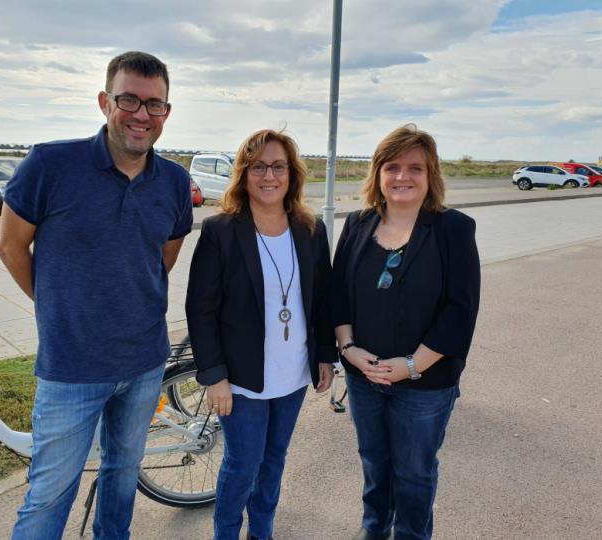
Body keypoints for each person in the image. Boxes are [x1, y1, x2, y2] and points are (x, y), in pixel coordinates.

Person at [0, 51, 193, 539]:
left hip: (145, 363)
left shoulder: (173, 181)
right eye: (129, 100)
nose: (142, 115)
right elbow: (10, 245)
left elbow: (161, 259)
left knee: (122, 477)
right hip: (71, 367)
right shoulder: (50, 164)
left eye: (155, 104)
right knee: (50, 494)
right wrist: (57, 306)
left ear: (167, 111)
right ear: (105, 101)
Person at [185, 129, 336, 540]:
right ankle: (227, 533)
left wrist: (326, 355)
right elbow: (201, 309)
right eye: (258, 166)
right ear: (244, 174)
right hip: (242, 379)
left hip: (293, 376)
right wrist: (214, 376)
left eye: (278, 166)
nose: (269, 175)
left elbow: (323, 300)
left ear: (292, 174)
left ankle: (262, 533)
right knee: (243, 465)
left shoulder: (310, 229)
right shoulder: (221, 231)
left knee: (273, 461)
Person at [331, 124, 480, 540]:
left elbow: (460, 309)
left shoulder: (453, 229)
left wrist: (412, 365)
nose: (403, 177)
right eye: (392, 166)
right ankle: (374, 529)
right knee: (374, 463)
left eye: (415, 167)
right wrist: (348, 348)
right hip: (364, 376)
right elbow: (338, 293)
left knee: (414, 473)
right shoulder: (358, 223)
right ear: (378, 173)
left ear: (430, 174)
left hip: (425, 383)